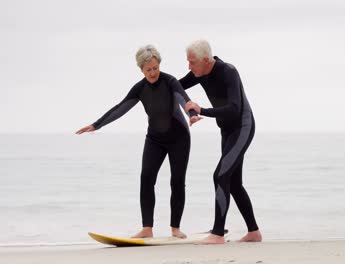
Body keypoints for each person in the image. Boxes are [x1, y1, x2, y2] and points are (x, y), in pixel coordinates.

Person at [76, 45, 201, 239]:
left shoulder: (170, 82)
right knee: (146, 179)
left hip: (179, 138)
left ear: (159, 65)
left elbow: (183, 98)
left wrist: (191, 114)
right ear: (141, 69)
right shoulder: (140, 88)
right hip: (155, 139)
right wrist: (96, 125)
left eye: (155, 68)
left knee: (177, 182)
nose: (152, 73)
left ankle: (175, 228)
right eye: (148, 69)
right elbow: (121, 108)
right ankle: (147, 228)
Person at [180, 39, 262, 244]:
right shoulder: (200, 72)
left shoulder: (228, 72)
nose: (189, 66)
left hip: (242, 127)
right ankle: (254, 232)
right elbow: (177, 86)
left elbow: (234, 107)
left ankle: (217, 234)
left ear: (206, 60)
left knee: (220, 175)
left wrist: (202, 110)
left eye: (192, 62)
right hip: (226, 130)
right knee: (233, 182)